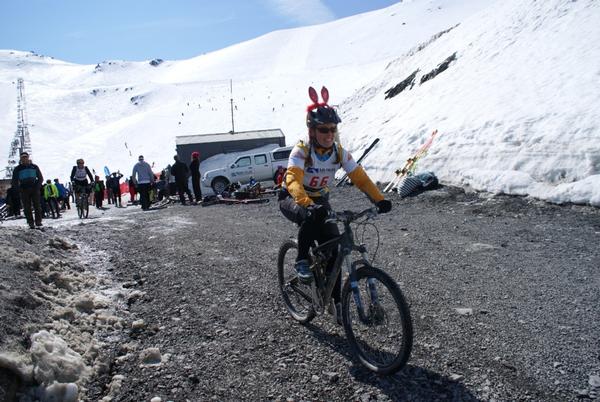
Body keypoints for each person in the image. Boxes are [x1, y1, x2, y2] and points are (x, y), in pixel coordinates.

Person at [278, 92, 392, 320]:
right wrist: (307, 203)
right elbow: (292, 180)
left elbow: (360, 178)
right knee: (312, 217)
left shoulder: (339, 153)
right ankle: (301, 260)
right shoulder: (302, 150)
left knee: (335, 251)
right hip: (292, 197)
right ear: (312, 130)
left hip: (320, 199)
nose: (329, 134)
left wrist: (379, 199)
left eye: (333, 129)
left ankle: (337, 305)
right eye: (324, 130)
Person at [11, 152, 44, 228]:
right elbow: (14, 181)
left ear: (28, 157)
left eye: (26, 157)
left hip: (34, 188)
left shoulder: (34, 167)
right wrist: (19, 189)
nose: (24, 158)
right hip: (24, 189)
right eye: (23, 157)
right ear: (20, 159)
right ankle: (30, 223)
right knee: (27, 207)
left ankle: (38, 222)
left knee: (37, 206)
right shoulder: (17, 169)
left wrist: (37, 187)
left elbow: (40, 178)